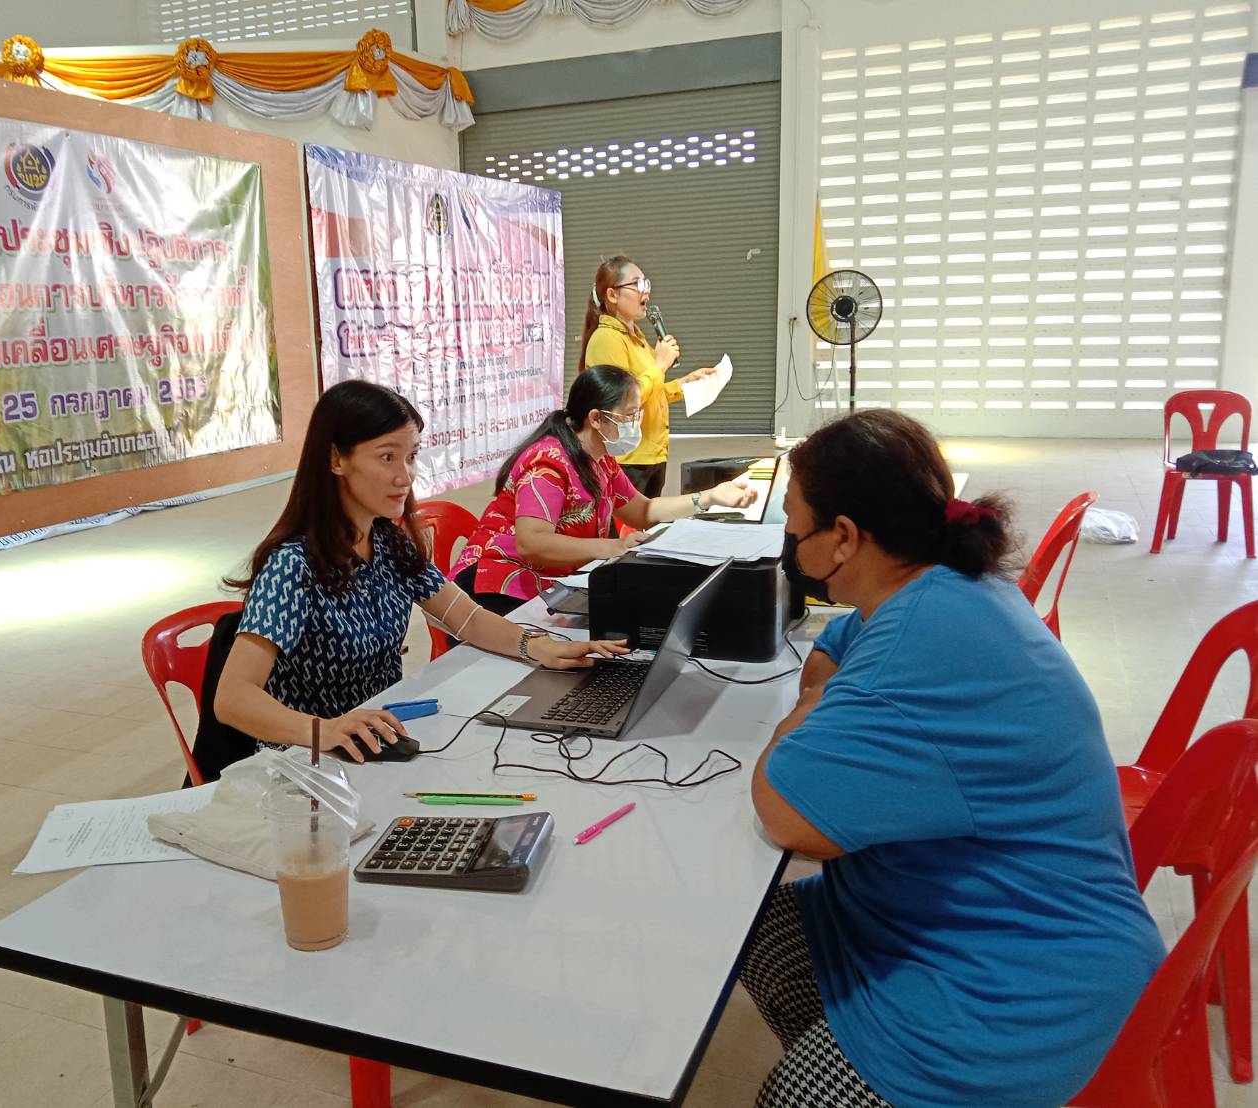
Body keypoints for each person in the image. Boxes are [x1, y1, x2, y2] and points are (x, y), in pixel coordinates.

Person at [743, 409, 1164, 1108]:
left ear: (843, 537)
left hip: (1021, 992)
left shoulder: (918, 640)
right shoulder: (942, 584)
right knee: (753, 935)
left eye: (792, 524)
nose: (789, 540)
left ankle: (882, 1069)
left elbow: (788, 813)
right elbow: (836, 646)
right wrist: (826, 691)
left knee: (790, 1096)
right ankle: (853, 1039)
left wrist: (807, 708)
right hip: (989, 917)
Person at [214, 379, 629, 763]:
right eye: (387, 457)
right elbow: (233, 698)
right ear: (336, 459)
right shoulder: (292, 565)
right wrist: (327, 729)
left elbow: (464, 616)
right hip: (308, 762)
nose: (405, 476)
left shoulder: (388, 543)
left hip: (378, 742)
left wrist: (537, 646)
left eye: (411, 456)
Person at [451, 365, 755, 614]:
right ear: (596, 418)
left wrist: (708, 497)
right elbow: (532, 543)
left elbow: (643, 511)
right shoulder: (547, 463)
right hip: (495, 584)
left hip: (549, 579)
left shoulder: (600, 459)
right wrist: (612, 547)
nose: (635, 423)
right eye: (630, 415)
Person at [579, 255, 717, 497]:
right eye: (637, 284)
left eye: (647, 283)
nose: (646, 291)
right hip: (627, 461)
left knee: (649, 520)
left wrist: (684, 384)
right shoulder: (606, 339)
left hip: (652, 455)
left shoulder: (638, 337)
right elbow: (622, 401)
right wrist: (660, 365)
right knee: (628, 521)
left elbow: (649, 390)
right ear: (612, 295)